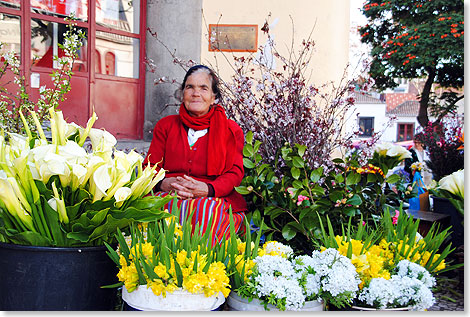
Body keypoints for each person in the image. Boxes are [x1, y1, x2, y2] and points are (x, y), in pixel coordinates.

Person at [143, 64, 247, 244]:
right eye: (190, 87)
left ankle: (202, 268)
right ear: (182, 93)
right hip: (170, 193)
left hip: (213, 196)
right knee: (150, 207)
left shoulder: (231, 130)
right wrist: (163, 183)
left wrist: (207, 189)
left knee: (204, 210)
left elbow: (235, 172)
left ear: (214, 98)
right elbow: (150, 167)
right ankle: (157, 265)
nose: (195, 93)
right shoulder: (166, 126)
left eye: (203, 88)